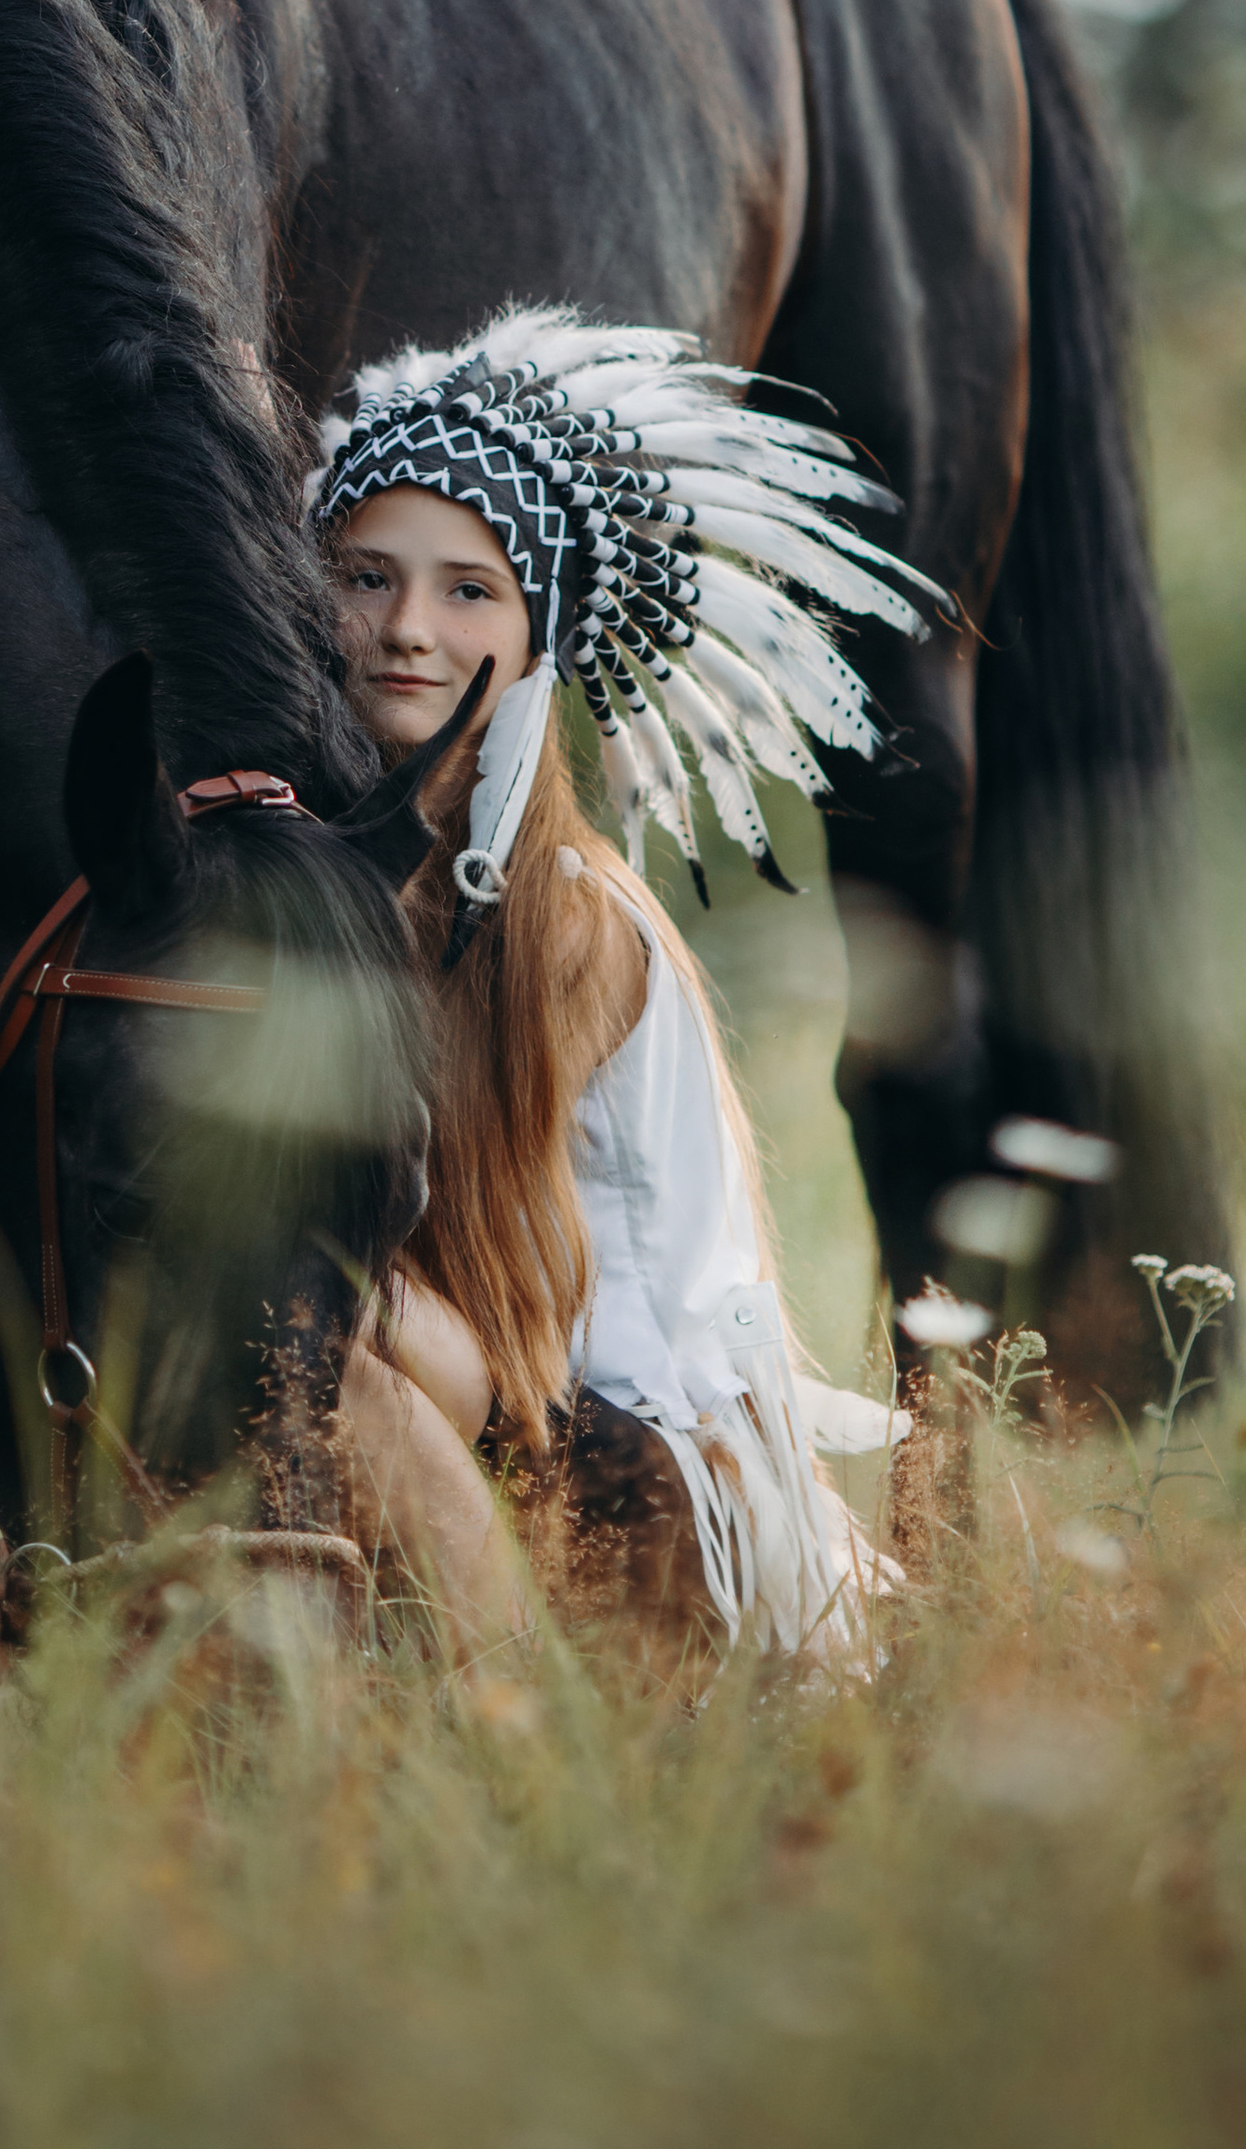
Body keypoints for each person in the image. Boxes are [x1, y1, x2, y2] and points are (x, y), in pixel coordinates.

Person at [319, 307, 930, 1679]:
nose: (406, 628)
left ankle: (523, 1735)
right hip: (431, 1415)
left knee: (320, 1328)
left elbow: (515, 1346)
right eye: (366, 577)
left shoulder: (569, 926)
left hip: (610, 1474)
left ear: (536, 641)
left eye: (468, 590)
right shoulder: (304, 880)